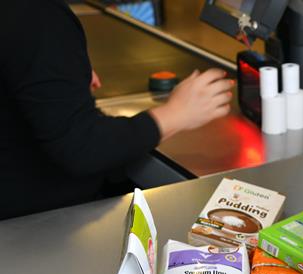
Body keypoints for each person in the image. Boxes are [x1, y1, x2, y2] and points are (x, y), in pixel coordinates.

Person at [0, 0, 234, 219]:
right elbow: (82, 148)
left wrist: (60, 70)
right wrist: (176, 113)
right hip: (34, 225)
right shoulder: (37, 14)